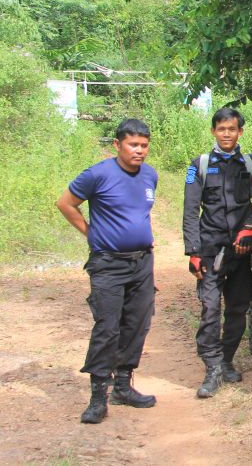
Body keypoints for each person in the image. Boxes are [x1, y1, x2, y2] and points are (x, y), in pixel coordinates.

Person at [55, 119, 159, 424]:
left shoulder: (150, 175)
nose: (139, 151)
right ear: (117, 145)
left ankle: (123, 386)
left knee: (137, 324)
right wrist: (91, 234)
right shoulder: (99, 174)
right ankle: (98, 396)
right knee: (107, 327)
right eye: (133, 145)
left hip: (142, 262)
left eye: (144, 145)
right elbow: (65, 203)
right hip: (108, 264)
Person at [183, 107, 252, 398]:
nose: (226, 134)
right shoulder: (200, 165)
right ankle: (212, 369)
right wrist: (193, 251)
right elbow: (190, 211)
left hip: (241, 251)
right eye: (221, 129)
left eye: (232, 129)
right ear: (213, 131)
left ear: (240, 132)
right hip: (209, 251)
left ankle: (226, 360)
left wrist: (250, 227)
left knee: (237, 309)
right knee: (210, 309)